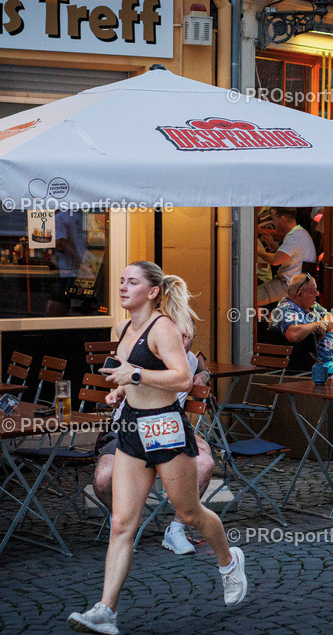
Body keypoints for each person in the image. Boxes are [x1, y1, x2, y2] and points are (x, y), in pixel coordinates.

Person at [68, 262, 245, 634]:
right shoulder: (123, 328)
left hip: (165, 426)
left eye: (132, 282)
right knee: (121, 523)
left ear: (152, 291)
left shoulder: (163, 328)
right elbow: (132, 376)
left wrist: (134, 375)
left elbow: (181, 376)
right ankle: (105, 611)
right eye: (120, 281)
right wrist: (121, 388)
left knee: (190, 512)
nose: (122, 286)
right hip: (132, 427)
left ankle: (229, 562)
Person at [92, 322, 216, 555]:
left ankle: (176, 529)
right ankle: (122, 524)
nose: (183, 343)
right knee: (103, 478)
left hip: (169, 433)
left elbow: (199, 361)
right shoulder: (141, 353)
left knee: (205, 464)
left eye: (189, 337)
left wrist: (204, 374)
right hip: (127, 429)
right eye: (178, 335)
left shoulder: (187, 359)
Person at [271, 273, 333, 377]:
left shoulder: (311, 305)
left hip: (330, 361)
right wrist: (316, 325)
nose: (317, 294)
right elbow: (293, 334)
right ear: (300, 294)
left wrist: (322, 324)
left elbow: (330, 319)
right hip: (319, 367)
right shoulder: (286, 310)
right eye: (313, 291)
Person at [256, 207, 316, 306]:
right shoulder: (300, 232)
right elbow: (287, 255)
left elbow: (275, 260)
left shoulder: (295, 236)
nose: (274, 224)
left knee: (248, 297)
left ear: (282, 219)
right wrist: (272, 244)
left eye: (274, 220)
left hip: (288, 286)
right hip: (295, 284)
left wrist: (258, 250)